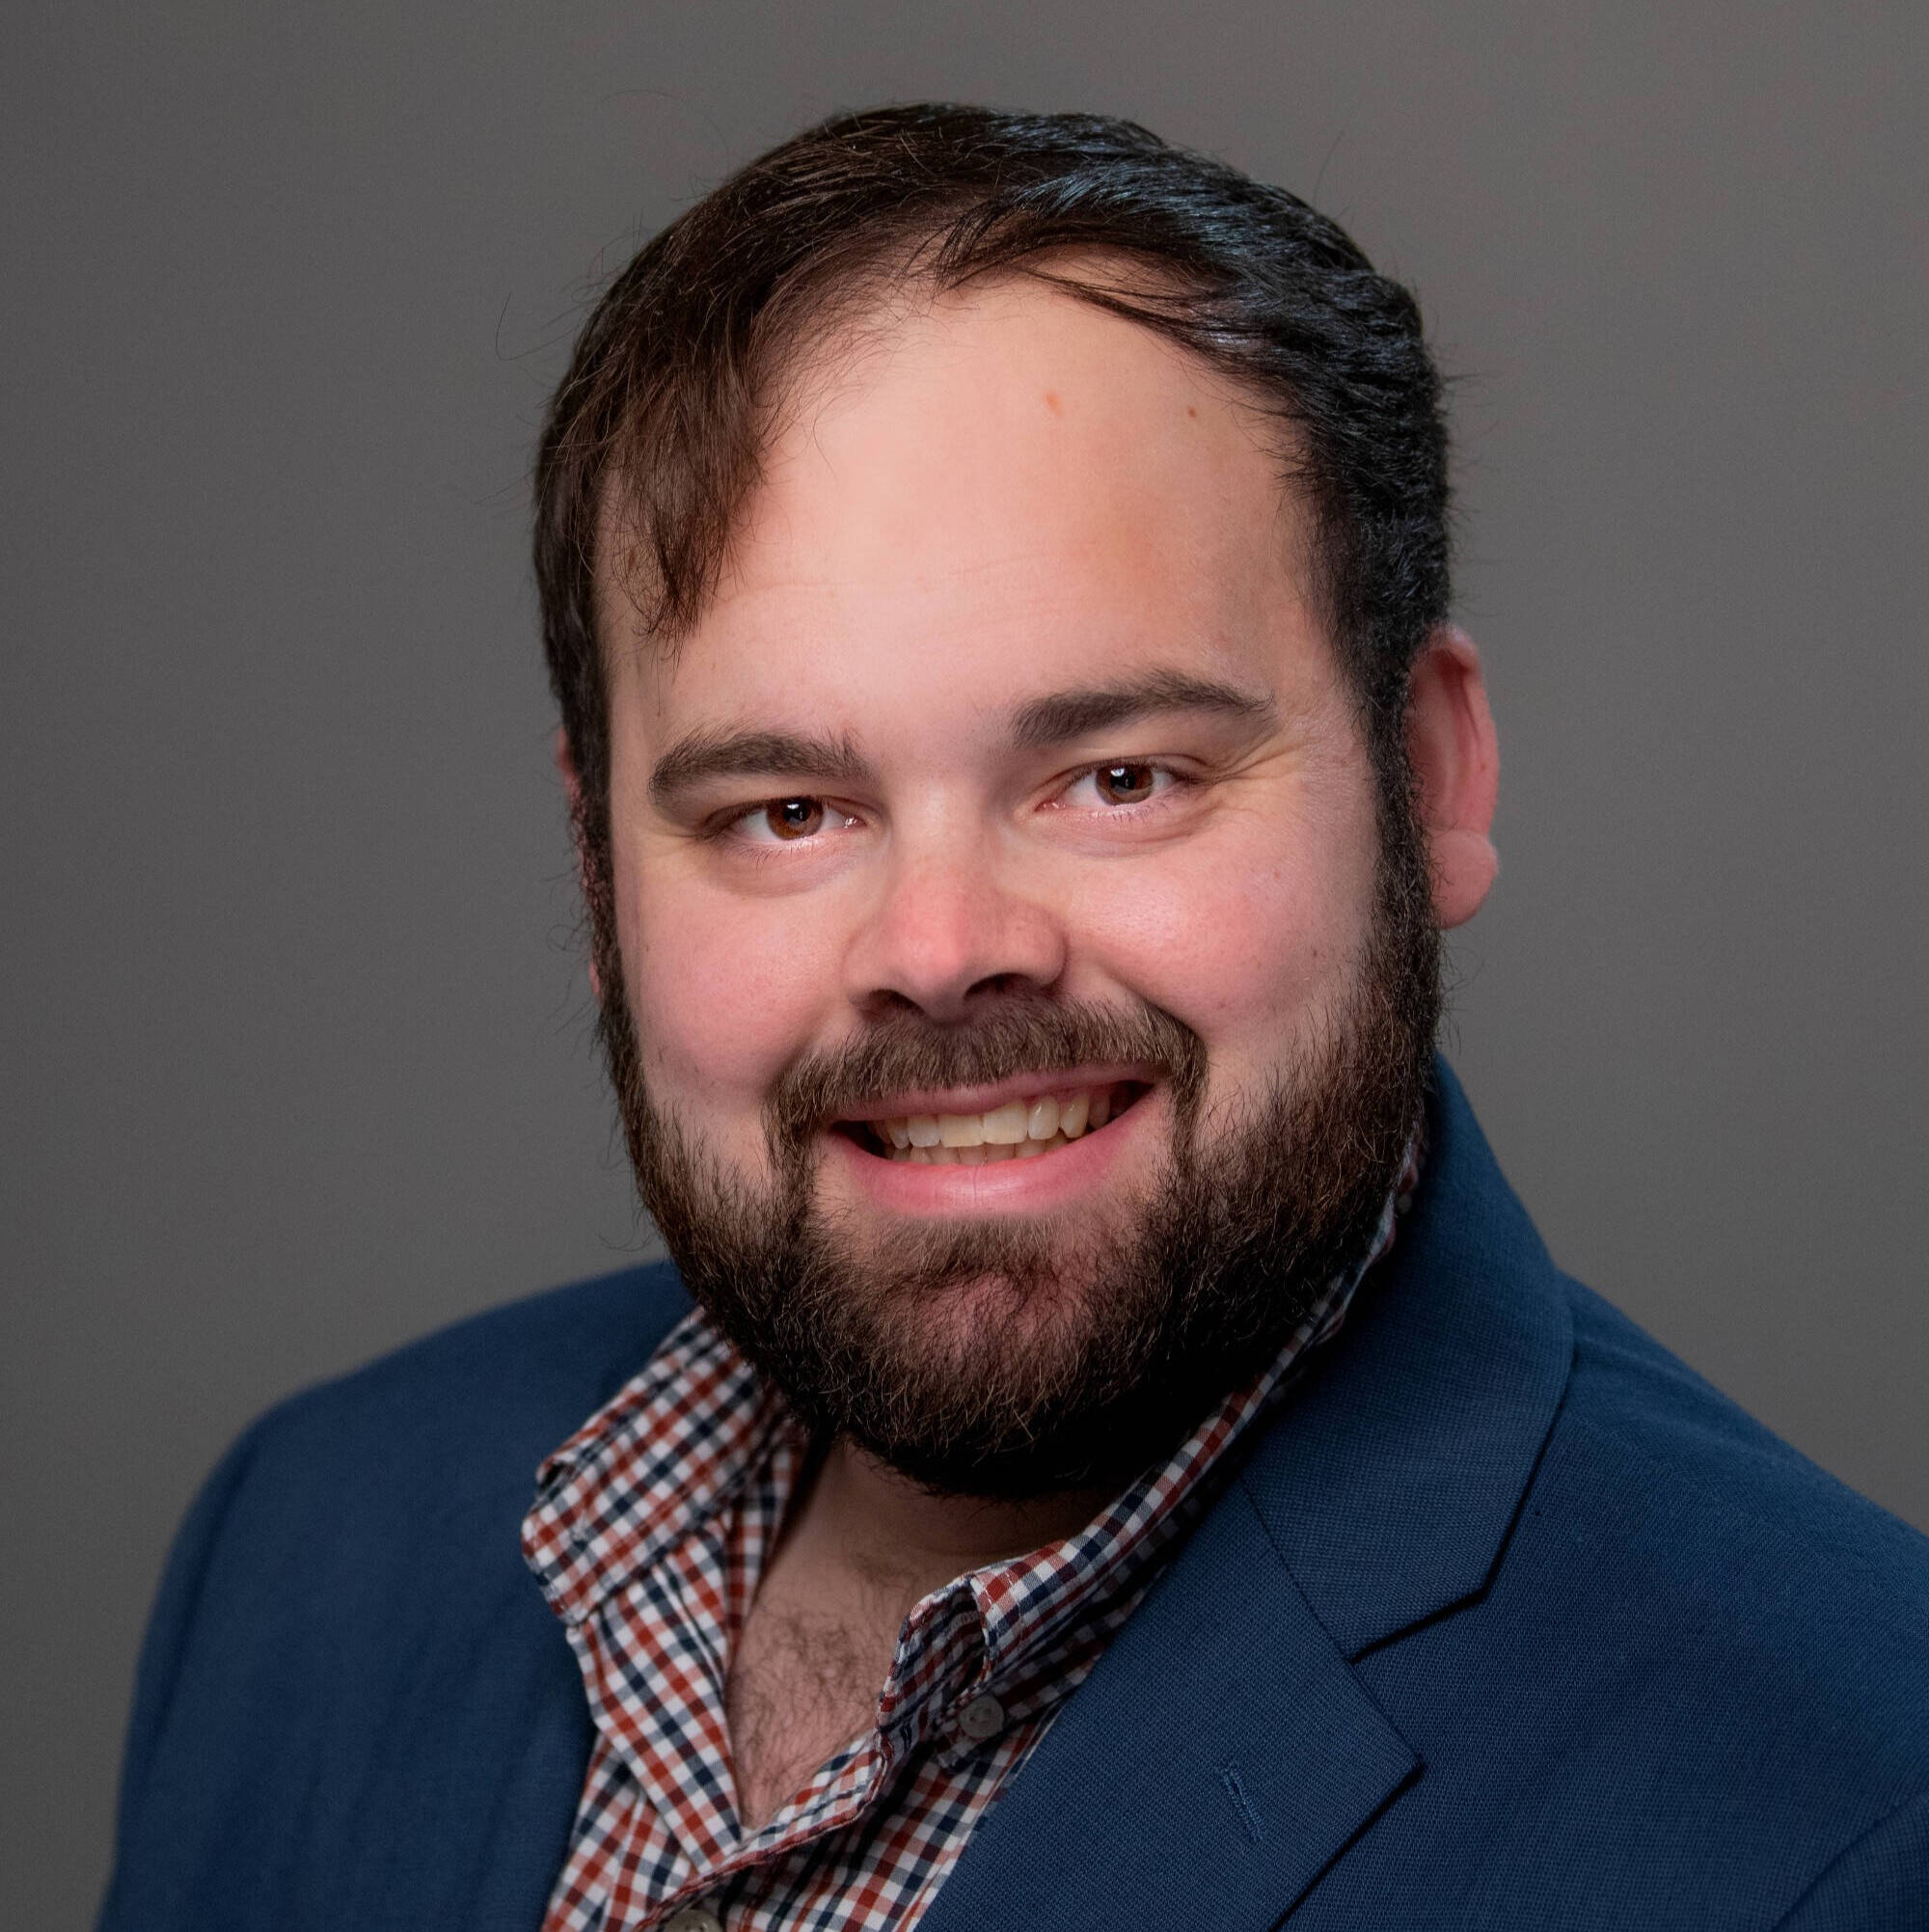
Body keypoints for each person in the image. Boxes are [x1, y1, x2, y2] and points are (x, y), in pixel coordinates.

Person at [98, 105, 1929, 1932]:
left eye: (1121, 775)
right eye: (785, 812)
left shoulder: (1849, 1813)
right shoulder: (312, 1544)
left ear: (1430, 778)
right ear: (598, 874)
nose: (943, 948)